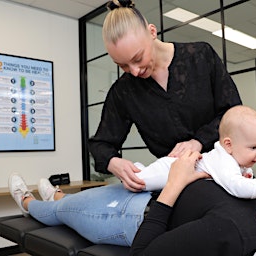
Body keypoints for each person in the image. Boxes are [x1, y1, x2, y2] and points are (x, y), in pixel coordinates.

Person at [8, 153, 256, 256]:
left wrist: (174, 186)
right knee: (70, 199)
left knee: (60, 213)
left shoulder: (230, 237)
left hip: (127, 216)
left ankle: (29, 202)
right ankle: (56, 193)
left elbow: (144, 253)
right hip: (144, 192)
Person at [88, 0, 242, 192]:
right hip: (176, 184)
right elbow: (100, 144)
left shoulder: (201, 56)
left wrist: (198, 142)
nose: (134, 71)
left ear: (152, 32)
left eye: (138, 58)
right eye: (123, 65)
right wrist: (113, 162)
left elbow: (234, 113)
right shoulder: (123, 91)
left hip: (223, 172)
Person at [136, 105, 256, 199]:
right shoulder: (223, 160)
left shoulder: (237, 159)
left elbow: (240, 178)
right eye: (254, 147)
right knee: (141, 182)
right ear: (228, 145)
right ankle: (138, 170)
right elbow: (238, 187)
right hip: (170, 169)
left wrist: (247, 174)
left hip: (185, 175)